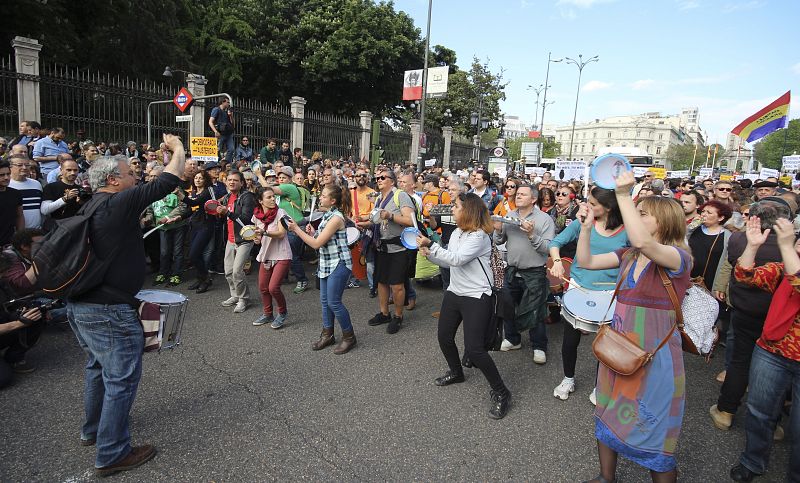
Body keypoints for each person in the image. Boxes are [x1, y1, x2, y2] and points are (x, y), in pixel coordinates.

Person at [66, 134, 186, 476]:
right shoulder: (117, 203)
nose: (136, 179)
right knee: (120, 377)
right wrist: (177, 149)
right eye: (130, 175)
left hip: (84, 304)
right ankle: (112, 452)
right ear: (113, 180)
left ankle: (93, 430)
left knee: (97, 368)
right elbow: (167, 181)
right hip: (106, 310)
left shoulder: (92, 203)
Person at [576, 170, 692, 483]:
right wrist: (585, 229)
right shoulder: (629, 254)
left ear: (664, 222)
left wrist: (624, 195)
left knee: (655, 432)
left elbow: (641, 238)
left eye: (642, 214)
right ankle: (606, 477)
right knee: (607, 411)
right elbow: (585, 262)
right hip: (618, 349)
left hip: (654, 357)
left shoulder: (677, 257)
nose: (634, 218)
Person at [416, 192, 512, 419]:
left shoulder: (479, 236)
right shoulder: (459, 232)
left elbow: (458, 259)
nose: (453, 209)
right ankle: (457, 372)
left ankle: (501, 392)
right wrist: (430, 254)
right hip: (455, 293)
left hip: (477, 296)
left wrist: (432, 244)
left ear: (468, 210)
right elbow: (449, 260)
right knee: (444, 337)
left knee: (476, 349)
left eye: (457, 206)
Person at [728, 217, 800, 482]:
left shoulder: (791, 263)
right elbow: (744, 274)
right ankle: (752, 461)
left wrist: (786, 245)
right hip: (772, 350)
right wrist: (753, 246)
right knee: (759, 412)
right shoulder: (785, 266)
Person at [709, 198, 791, 431]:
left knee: (739, 362)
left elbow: (735, 267)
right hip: (779, 318)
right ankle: (772, 424)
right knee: (776, 370)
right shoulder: (788, 246)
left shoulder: (738, 239)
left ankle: (726, 410)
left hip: (745, 310)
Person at [549, 187, 627, 403]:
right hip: (578, 286)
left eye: (593, 204)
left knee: (604, 344)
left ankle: (599, 385)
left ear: (609, 207)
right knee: (570, 338)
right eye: (588, 201)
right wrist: (557, 262)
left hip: (609, 292)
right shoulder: (582, 223)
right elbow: (555, 243)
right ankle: (568, 378)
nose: (587, 206)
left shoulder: (627, 231)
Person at [287, 185, 356, 354]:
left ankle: (349, 337)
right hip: (326, 262)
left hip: (339, 263)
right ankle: (328, 334)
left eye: (324, 196)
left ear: (333, 200)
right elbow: (319, 240)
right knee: (325, 302)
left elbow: (316, 244)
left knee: (334, 302)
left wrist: (297, 229)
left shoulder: (336, 218)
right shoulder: (327, 215)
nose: (320, 197)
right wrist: (312, 233)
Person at [494, 184, 555, 365]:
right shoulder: (510, 216)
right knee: (507, 306)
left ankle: (539, 346)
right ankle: (513, 339)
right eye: (517, 193)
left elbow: (549, 248)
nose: (518, 196)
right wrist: (497, 229)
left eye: (522, 194)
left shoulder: (545, 220)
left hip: (534, 271)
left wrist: (531, 235)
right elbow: (499, 241)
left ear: (533, 199)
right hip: (512, 270)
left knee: (535, 310)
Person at [367, 169, 416, 334]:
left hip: (399, 248)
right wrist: (360, 223)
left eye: (382, 177)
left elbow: (410, 221)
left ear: (392, 181)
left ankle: (398, 316)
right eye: (377, 177)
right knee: (381, 282)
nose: (378, 179)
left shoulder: (400, 195)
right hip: (382, 247)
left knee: (397, 286)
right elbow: (376, 222)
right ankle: (384, 313)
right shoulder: (379, 199)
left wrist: (390, 215)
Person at [251, 186, 292, 329]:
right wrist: (256, 238)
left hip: (282, 254)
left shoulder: (281, 213)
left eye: (273, 196)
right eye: (268, 197)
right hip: (266, 254)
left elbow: (281, 234)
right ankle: (268, 314)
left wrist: (264, 232)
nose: (273, 199)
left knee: (273, 288)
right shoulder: (256, 215)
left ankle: (282, 313)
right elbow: (257, 235)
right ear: (260, 201)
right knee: (263, 287)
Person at [218, 171, 256, 313]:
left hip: (244, 239)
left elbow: (246, 219)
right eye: (229, 180)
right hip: (230, 239)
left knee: (237, 271)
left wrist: (227, 212)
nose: (232, 182)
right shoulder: (227, 197)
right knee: (228, 271)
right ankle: (234, 295)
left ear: (241, 182)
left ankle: (243, 299)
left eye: (235, 180)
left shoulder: (247, 197)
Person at [183, 170, 216, 293]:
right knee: (195, 255)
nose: (197, 180)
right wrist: (178, 217)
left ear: (205, 180)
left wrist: (182, 196)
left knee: (194, 254)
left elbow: (194, 202)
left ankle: (206, 279)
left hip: (206, 226)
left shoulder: (208, 192)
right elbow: (192, 209)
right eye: (196, 178)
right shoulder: (194, 192)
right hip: (195, 226)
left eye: (200, 178)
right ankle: (201, 278)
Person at [8, 154, 43, 229]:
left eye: (27, 165)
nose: (24, 168)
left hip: (36, 231)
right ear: (10, 167)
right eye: (19, 165)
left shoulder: (36, 184)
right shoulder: (7, 185)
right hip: (13, 233)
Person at [0, 160, 24, 247]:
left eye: (8, 174)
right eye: (2, 175)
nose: (6, 177)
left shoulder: (15, 194)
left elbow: (19, 215)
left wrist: (20, 237)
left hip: (10, 244)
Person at [209, 97, 235, 164]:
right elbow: (210, 122)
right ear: (223, 102)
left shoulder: (227, 111)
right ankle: (215, 162)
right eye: (227, 102)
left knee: (231, 149)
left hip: (228, 133)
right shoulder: (216, 110)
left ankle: (226, 163)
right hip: (220, 133)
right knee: (217, 149)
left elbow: (233, 124)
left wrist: (231, 116)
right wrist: (215, 131)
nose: (229, 104)